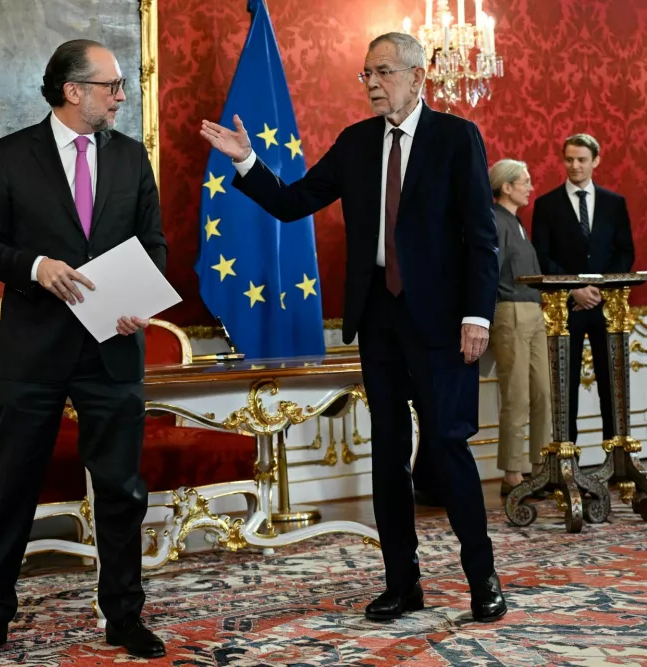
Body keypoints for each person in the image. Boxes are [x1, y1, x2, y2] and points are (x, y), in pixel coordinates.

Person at [200, 32, 507, 623]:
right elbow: (292, 203)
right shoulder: (356, 143)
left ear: (417, 77)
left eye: (383, 72)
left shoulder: (455, 138)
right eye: (366, 73)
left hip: (444, 324)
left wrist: (477, 315)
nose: (371, 83)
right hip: (379, 320)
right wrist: (245, 159)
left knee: (448, 448)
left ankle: (481, 577)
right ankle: (402, 584)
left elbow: (480, 235)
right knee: (387, 455)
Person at [0, 39, 167, 664]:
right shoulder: (12, 155)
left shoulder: (131, 157)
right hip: (34, 351)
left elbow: (153, 243)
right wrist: (36, 266)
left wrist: (142, 300)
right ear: (74, 90)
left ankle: (124, 616)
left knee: (121, 489)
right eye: (112, 85)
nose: (122, 96)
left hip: (114, 346)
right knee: (11, 485)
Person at [531, 134, 635, 445]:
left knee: (612, 383)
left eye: (581, 160)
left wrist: (598, 287)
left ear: (595, 161)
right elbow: (541, 254)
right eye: (569, 159)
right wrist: (575, 288)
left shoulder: (614, 203)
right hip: (565, 309)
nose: (575, 166)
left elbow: (625, 252)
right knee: (565, 386)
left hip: (607, 308)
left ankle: (616, 457)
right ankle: (568, 459)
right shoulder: (546, 204)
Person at [488, 160, 550, 494]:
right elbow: (489, 272)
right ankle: (512, 474)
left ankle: (541, 466)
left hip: (533, 310)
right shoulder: (495, 220)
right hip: (509, 311)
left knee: (542, 392)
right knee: (516, 394)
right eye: (524, 181)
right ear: (506, 187)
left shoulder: (518, 222)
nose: (530, 186)